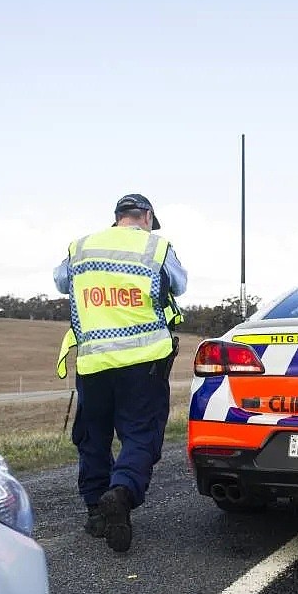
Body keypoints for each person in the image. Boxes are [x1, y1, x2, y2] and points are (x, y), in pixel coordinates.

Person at [53, 194, 187, 552]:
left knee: (93, 435)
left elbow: (61, 283)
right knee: (141, 435)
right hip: (144, 363)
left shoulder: (80, 247)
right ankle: (122, 491)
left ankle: (97, 510)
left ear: (116, 217)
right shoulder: (156, 248)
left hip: (95, 361)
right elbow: (179, 284)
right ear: (146, 216)